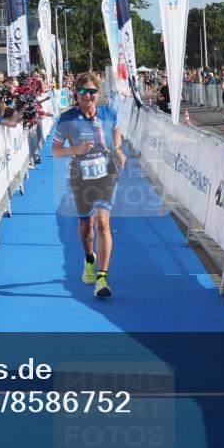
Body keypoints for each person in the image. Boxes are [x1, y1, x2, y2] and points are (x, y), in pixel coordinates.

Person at [51, 72, 125, 299]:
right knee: (86, 225)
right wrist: (76, 149)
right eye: (83, 91)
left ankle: (102, 278)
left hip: (106, 172)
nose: (88, 96)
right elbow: (55, 151)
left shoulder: (108, 113)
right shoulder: (67, 119)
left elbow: (116, 130)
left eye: (92, 91)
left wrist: (117, 149)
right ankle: (89, 259)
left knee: (102, 222)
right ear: (76, 93)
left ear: (97, 93)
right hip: (79, 175)